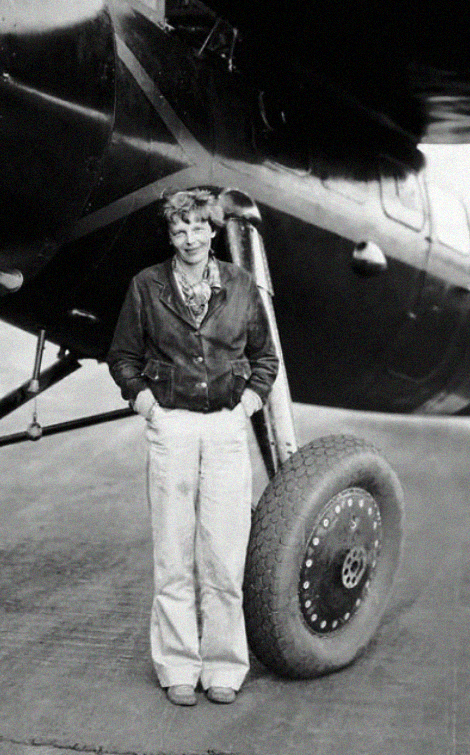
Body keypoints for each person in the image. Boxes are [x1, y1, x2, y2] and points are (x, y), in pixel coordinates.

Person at [107, 188, 279, 707]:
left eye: (198, 228)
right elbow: (122, 357)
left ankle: (224, 665)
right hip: (172, 428)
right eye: (178, 230)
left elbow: (265, 358)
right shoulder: (147, 286)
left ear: (213, 230)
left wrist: (245, 408)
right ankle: (178, 665)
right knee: (174, 557)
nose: (189, 239)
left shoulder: (241, 285)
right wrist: (149, 409)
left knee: (224, 558)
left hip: (225, 429)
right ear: (171, 235)